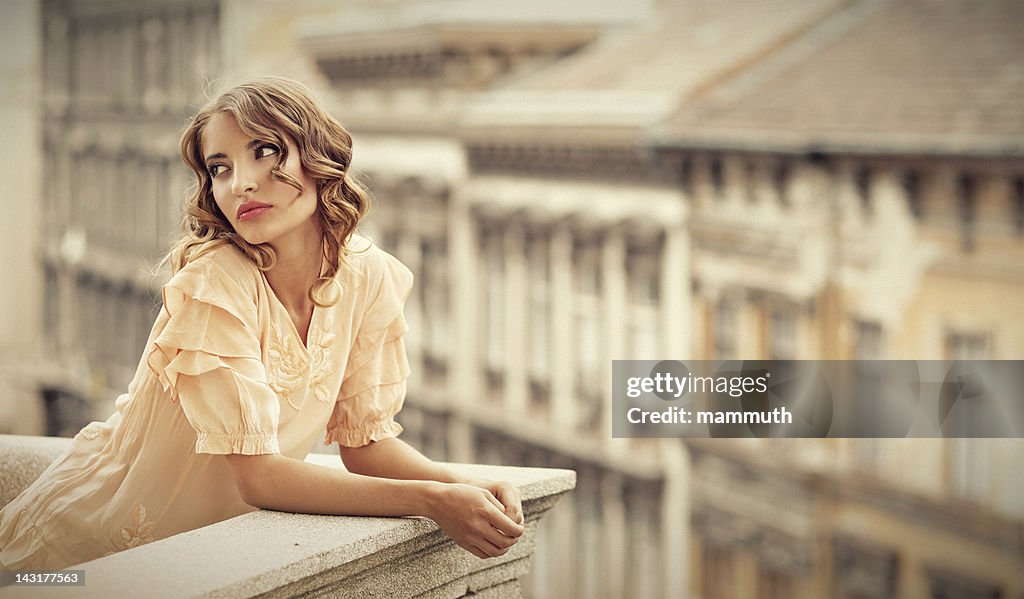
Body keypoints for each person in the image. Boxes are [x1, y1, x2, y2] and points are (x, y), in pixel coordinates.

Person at [0, 77, 523, 570]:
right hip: (81, 556)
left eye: (265, 151)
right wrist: (433, 501)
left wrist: (463, 486)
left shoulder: (369, 275)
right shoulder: (214, 285)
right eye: (219, 168)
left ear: (318, 158)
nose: (241, 184)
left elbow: (365, 446)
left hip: (201, 561)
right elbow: (261, 477)